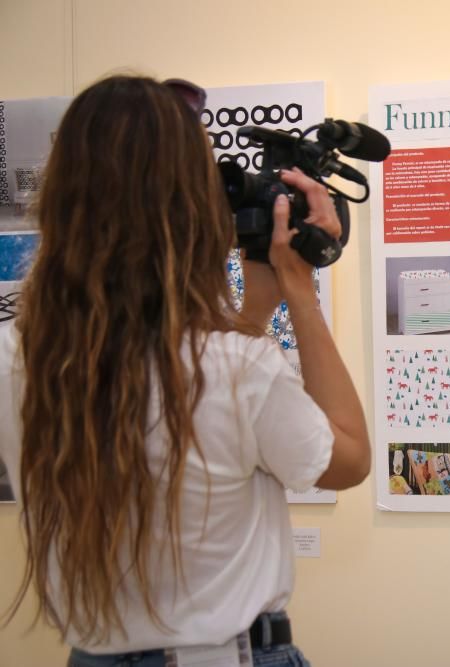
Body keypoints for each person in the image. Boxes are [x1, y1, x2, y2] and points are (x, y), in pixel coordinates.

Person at [0, 75, 371, 666]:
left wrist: (255, 308)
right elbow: (348, 459)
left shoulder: (18, 356)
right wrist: (300, 292)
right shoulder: (233, 364)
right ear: (192, 205)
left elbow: (173, 385)